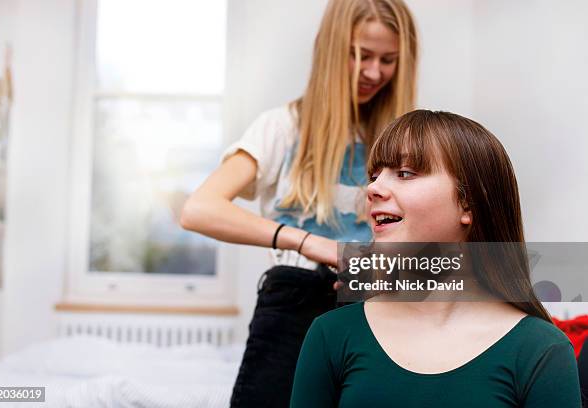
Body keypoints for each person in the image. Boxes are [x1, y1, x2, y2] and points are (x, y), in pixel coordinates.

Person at [179, 0, 418, 406]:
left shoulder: (403, 142)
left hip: (376, 310)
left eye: (388, 59)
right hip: (295, 302)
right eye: (360, 55)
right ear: (330, 50)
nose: (374, 72)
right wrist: (307, 243)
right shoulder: (282, 128)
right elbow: (197, 209)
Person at [290, 110, 582, 407]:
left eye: (404, 173)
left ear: (467, 203)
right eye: (374, 176)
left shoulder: (540, 350)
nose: (373, 188)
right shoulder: (331, 335)